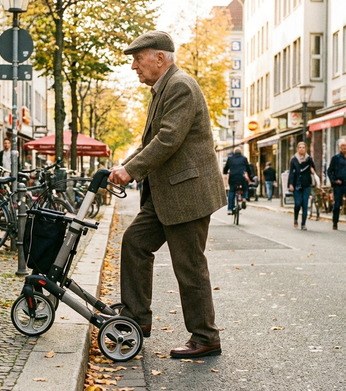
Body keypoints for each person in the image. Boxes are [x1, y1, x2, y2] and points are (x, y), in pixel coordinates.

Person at [108, 31, 226, 359]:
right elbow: (150, 141)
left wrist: (130, 171)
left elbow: (169, 139)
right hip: (167, 195)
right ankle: (136, 318)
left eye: (138, 58)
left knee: (189, 265)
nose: (133, 66)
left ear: (160, 58)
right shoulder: (162, 88)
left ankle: (206, 336)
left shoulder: (180, 86)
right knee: (135, 243)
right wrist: (124, 164)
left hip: (187, 194)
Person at [327, 139, 346, 232]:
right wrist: (334, 180)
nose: (345, 147)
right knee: (337, 205)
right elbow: (329, 171)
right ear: (340, 147)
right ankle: (335, 223)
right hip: (339, 185)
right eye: (343, 145)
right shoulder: (335, 158)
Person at [287, 142, 316, 230]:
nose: (302, 149)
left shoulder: (309, 158)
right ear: (297, 149)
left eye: (303, 147)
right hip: (297, 184)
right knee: (298, 204)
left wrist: (312, 170)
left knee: (305, 204)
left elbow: (313, 168)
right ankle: (295, 218)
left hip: (306, 184)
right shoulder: (294, 159)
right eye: (300, 147)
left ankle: (303, 224)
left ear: (305, 149)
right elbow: (291, 172)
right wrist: (290, 184)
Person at [223, 147, 252, 214]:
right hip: (242, 177)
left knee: (232, 191)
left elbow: (226, 168)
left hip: (233, 177)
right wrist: (250, 177)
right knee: (245, 187)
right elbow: (248, 168)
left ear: (234, 152)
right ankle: (244, 198)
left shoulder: (230, 158)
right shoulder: (244, 158)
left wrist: (225, 172)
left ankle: (230, 209)